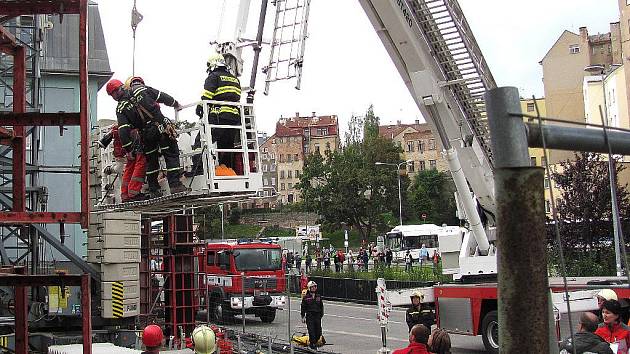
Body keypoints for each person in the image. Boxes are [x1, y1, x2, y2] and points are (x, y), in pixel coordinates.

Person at [107, 78, 186, 198]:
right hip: (160, 127)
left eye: (112, 95)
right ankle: (175, 186)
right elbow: (162, 97)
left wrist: (128, 150)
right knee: (171, 154)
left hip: (146, 135)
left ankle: (154, 189)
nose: (114, 97)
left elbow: (123, 130)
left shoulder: (120, 108)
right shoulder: (140, 90)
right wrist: (176, 103)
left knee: (151, 160)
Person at [194, 53, 243, 173]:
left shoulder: (213, 77)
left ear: (212, 65)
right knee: (227, 147)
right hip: (234, 119)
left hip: (219, 116)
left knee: (200, 141)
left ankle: (199, 169)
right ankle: (227, 170)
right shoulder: (235, 79)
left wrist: (200, 107)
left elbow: (207, 96)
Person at [98, 124, 146, 202]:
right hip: (132, 150)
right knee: (139, 166)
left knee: (129, 169)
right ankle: (133, 193)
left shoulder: (117, 129)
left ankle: (125, 195)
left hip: (126, 152)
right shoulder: (130, 126)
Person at [301, 280, 324, 350]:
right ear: (309, 288)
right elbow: (303, 307)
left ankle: (314, 343)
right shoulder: (306, 297)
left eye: (315, 287)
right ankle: (312, 345)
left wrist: (321, 314)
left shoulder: (318, 296)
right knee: (311, 332)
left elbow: (321, 306)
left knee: (318, 332)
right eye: (312, 287)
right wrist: (303, 316)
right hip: (310, 316)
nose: (314, 288)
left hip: (317, 316)